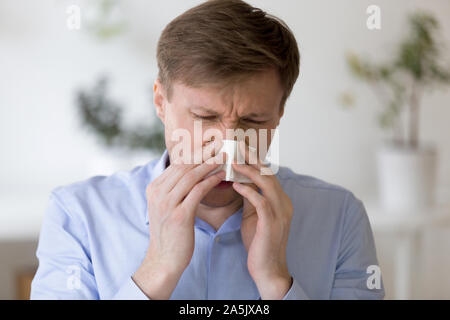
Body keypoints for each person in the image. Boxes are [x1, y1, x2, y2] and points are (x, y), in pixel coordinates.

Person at [31, 0, 385, 299]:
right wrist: (158, 269)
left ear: (279, 114)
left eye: (254, 120)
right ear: (160, 101)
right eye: (204, 116)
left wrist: (276, 282)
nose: (226, 146)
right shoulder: (77, 216)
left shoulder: (340, 218)